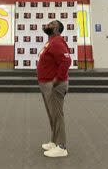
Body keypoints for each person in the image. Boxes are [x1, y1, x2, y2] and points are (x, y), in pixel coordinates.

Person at [36, 19, 72, 158]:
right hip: (47, 84)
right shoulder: (51, 42)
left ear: (57, 29)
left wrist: (57, 80)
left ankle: (62, 147)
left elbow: (66, 60)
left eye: (51, 24)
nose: (47, 25)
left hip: (54, 85)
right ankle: (54, 141)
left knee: (57, 115)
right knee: (52, 115)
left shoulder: (57, 41)